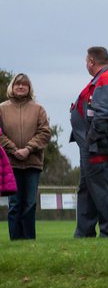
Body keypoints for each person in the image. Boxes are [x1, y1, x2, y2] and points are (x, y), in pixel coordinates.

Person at [69, 47, 108, 238]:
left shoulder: (106, 79)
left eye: (86, 61)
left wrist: (91, 139)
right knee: (87, 191)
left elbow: (104, 114)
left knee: (101, 191)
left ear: (91, 61)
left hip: (97, 147)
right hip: (90, 146)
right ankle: (84, 233)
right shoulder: (102, 78)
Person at [0, 74, 54, 241]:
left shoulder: (39, 109)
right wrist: (14, 149)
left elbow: (45, 133)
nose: (21, 87)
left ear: (29, 88)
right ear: (12, 87)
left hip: (33, 163)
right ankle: (15, 241)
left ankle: (29, 241)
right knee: (15, 204)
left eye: (24, 84)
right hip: (10, 164)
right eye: (18, 84)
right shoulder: (2, 108)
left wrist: (28, 149)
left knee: (29, 204)